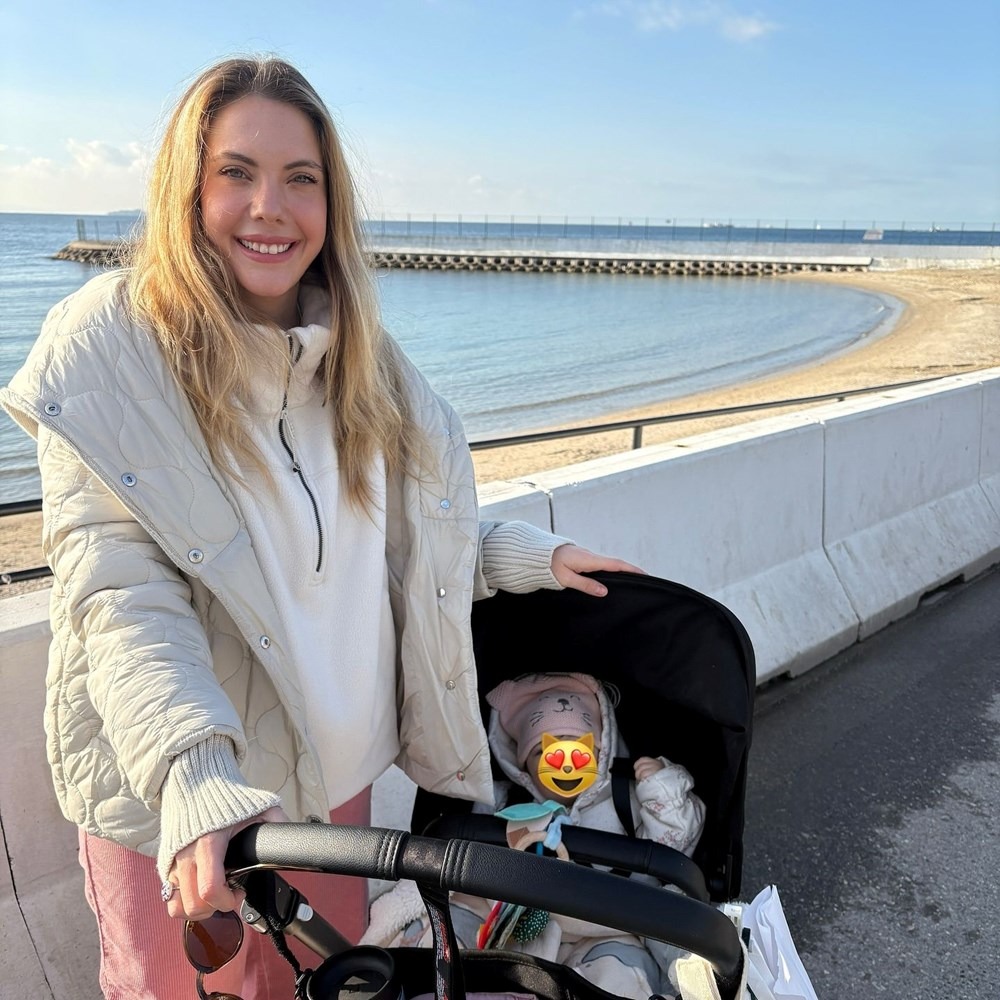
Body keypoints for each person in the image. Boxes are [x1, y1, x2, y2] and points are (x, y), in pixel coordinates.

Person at [0, 57, 644, 1000]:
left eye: (300, 179)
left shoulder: (362, 360)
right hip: (180, 797)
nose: (270, 207)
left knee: (329, 987)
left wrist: (518, 555)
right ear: (188, 189)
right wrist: (194, 774)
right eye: (236, 172)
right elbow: (120, 592)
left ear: (332, 203)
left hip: (336, 791)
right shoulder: (111, 348)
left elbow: (384, 539)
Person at [362, 672, 706, 999]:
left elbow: (676, 843)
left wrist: (661, 789)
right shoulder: (506, 802)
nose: (565, 766)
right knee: (447, 933)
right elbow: (465, 855)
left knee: (621, 974)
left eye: (578, 750)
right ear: (522, 763)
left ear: (601, 753)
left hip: (606, 924)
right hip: (510, 922)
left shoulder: (627, 800)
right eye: (544, 753)